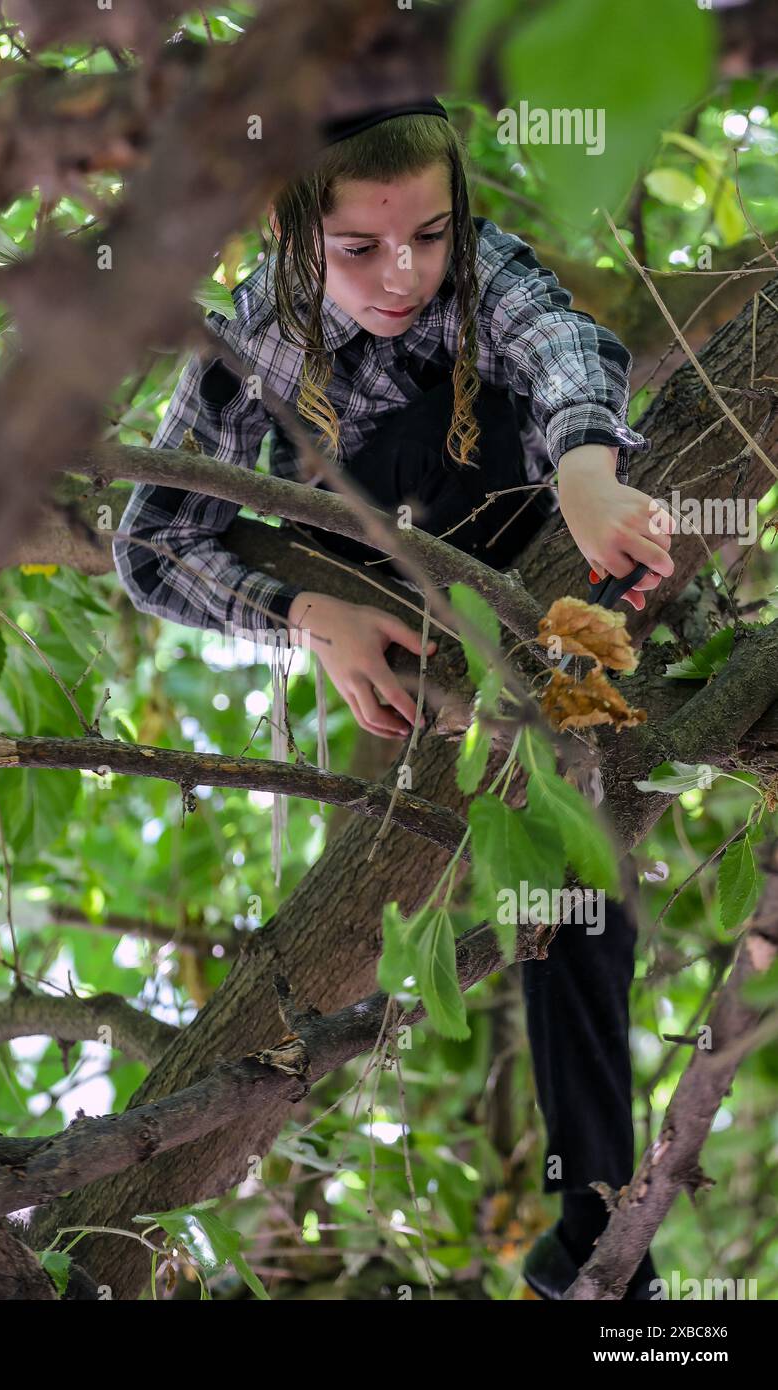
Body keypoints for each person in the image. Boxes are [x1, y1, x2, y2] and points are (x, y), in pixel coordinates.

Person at [112, 100, 674, 1299]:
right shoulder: (255, 330)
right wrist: (306, 618)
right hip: (372, 580)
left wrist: (585, 465)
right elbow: (149, 542)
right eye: (359, 251)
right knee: (252, 515)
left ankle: (594, 1237)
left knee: (581, 892)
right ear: (293, 237)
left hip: (525, 555)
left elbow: (566, 350)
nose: (401, 274)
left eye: (426, 235)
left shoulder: (475, 274)